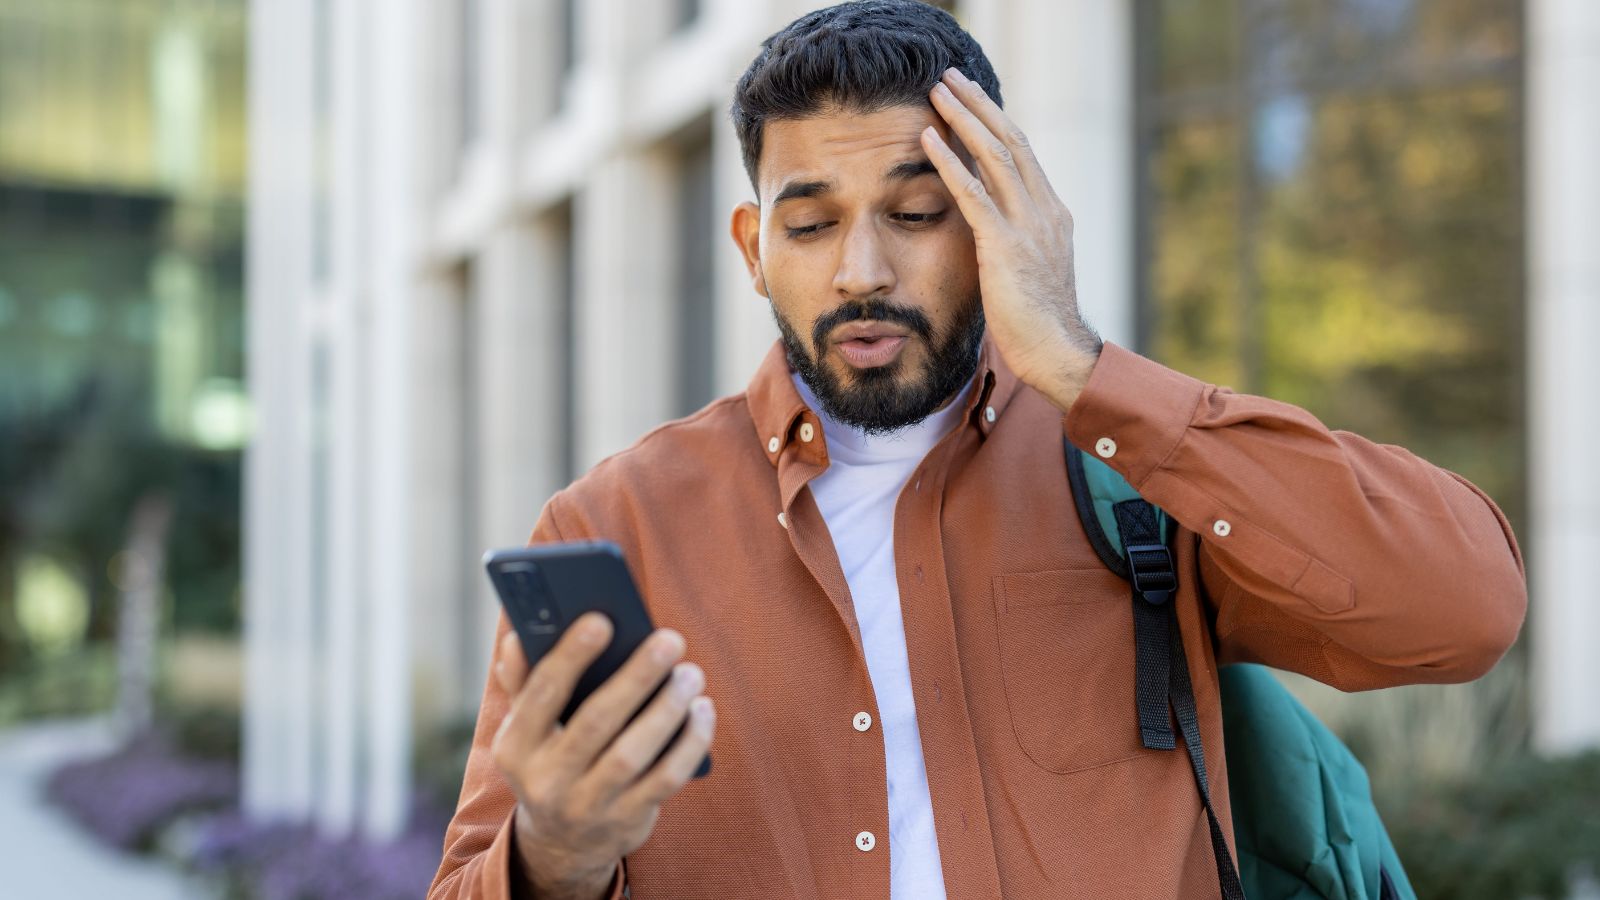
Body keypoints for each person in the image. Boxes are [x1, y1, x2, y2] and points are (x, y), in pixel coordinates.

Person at [427, 2, 1527, 898]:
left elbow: (1462, 611)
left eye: (915, 212)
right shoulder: (618, 526)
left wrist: (1088, 369)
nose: (861, 268)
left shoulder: (1133, 471)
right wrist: (553, 857)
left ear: (1001, 219)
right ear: (754, 252)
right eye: (810, 226)